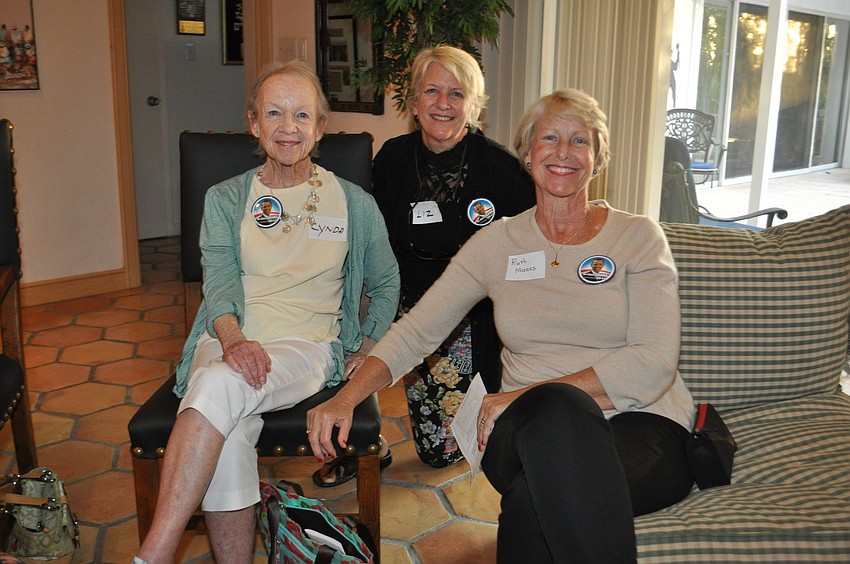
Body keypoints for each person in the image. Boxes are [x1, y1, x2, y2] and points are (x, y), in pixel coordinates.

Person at [307, 88, 696, 563]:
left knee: (536, 495)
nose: (563, 153)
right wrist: (346, 397)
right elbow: (418, 330)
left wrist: (523, 396)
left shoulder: (637, 237)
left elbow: (655, 363)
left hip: (641, 425)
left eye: (580, 141)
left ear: (598, 158)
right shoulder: (497, 243)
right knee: (555, 415)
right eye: (550, 138)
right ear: (528, 153)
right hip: (522, 433)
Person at [134, 60, 399, 564]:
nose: (288, 127)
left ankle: (155, 551)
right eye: (274, 113)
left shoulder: (354, 204)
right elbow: (219, 279)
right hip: (229, 336)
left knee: (215, 387)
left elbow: (387, 283)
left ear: (321, 127)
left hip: (308, 345)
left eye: (302, 115)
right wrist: (233, 340)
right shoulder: (226, 198)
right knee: (226, 420)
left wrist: (366, 346)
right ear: (253, 122)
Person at [312, 45, 535, 487]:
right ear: (414, 103)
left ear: (474, 105)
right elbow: (370, 243)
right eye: (431, 91)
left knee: (441, 453)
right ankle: (355, 441)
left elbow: (528, 251)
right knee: (348, 356)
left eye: (456, 93)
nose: (443, 104)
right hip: (404, 303)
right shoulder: (392, 160)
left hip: (469, 318)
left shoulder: (501, 170)